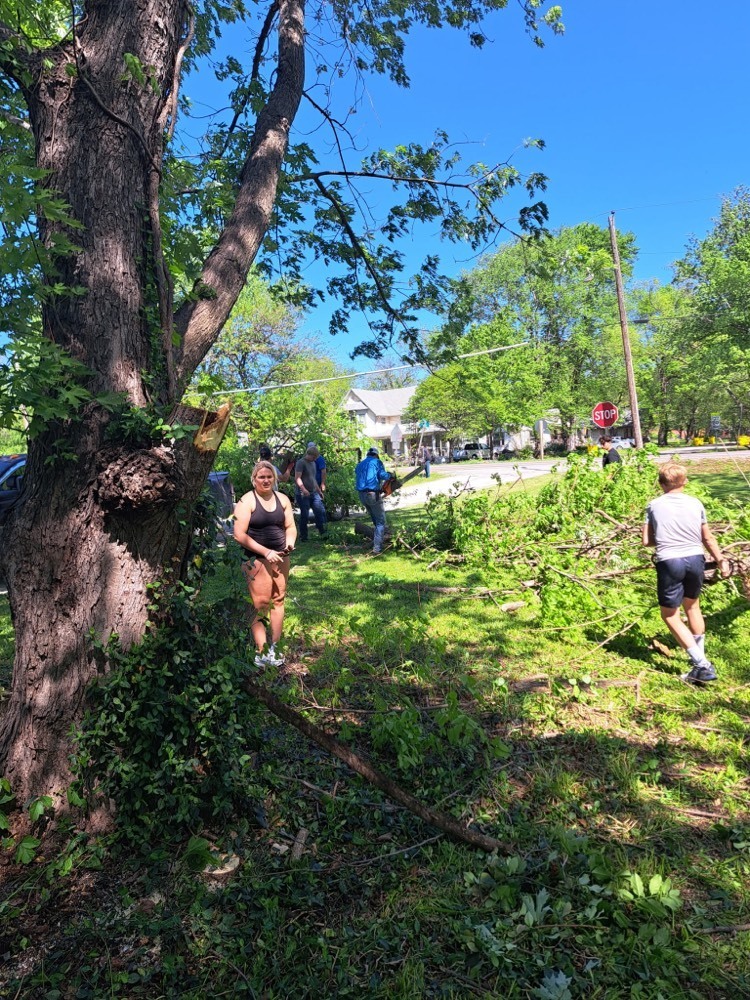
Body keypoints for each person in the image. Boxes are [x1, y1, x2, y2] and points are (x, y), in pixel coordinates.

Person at [642, 462, 731, 684]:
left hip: (670, 560)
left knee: (669, 615)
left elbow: (646, 541)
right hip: (695, 558)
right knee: (692, 606)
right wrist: (720, 560)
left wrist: (663, 538)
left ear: (661, 483)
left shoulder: (653, 505)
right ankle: (698, 664)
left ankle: (702, 664)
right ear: (686, 482)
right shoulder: (695, 503)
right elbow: (707, 537)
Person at [234, 460, 297, 667]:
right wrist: (265, 552)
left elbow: (290, 527)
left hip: (280, 557)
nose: (266, 480)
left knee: (278, 600)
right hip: (256, 559)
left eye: (269, 476)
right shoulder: (247, 501)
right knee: (260, 605)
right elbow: (239, 535)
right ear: (254, 480)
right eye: (261, 477)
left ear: (275, 479)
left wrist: (289, 544)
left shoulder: (283, 499)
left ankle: (276, 648)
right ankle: (261, 650)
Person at [355, 446, 390, 554]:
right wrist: (390, 475)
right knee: (381, 522)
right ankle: (377, 548)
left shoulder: (360, 464)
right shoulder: (376, 462)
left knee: (375, 519)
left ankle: (378, 540)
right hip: (372, 494)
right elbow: (382, 475)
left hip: (362, 495)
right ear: (376, 455)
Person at [295, 445, 327, 540]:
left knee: (320, 511)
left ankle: (323, 533)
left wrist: (319, 490)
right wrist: (303, 489)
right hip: (302, 493)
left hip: (314, 492)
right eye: (314, 457)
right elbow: (297, 478)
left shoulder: (313, 463)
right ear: (309, 455)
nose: (315, 459)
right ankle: (303, 536)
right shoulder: (301, 463)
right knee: (305, 515)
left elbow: (313, 479)